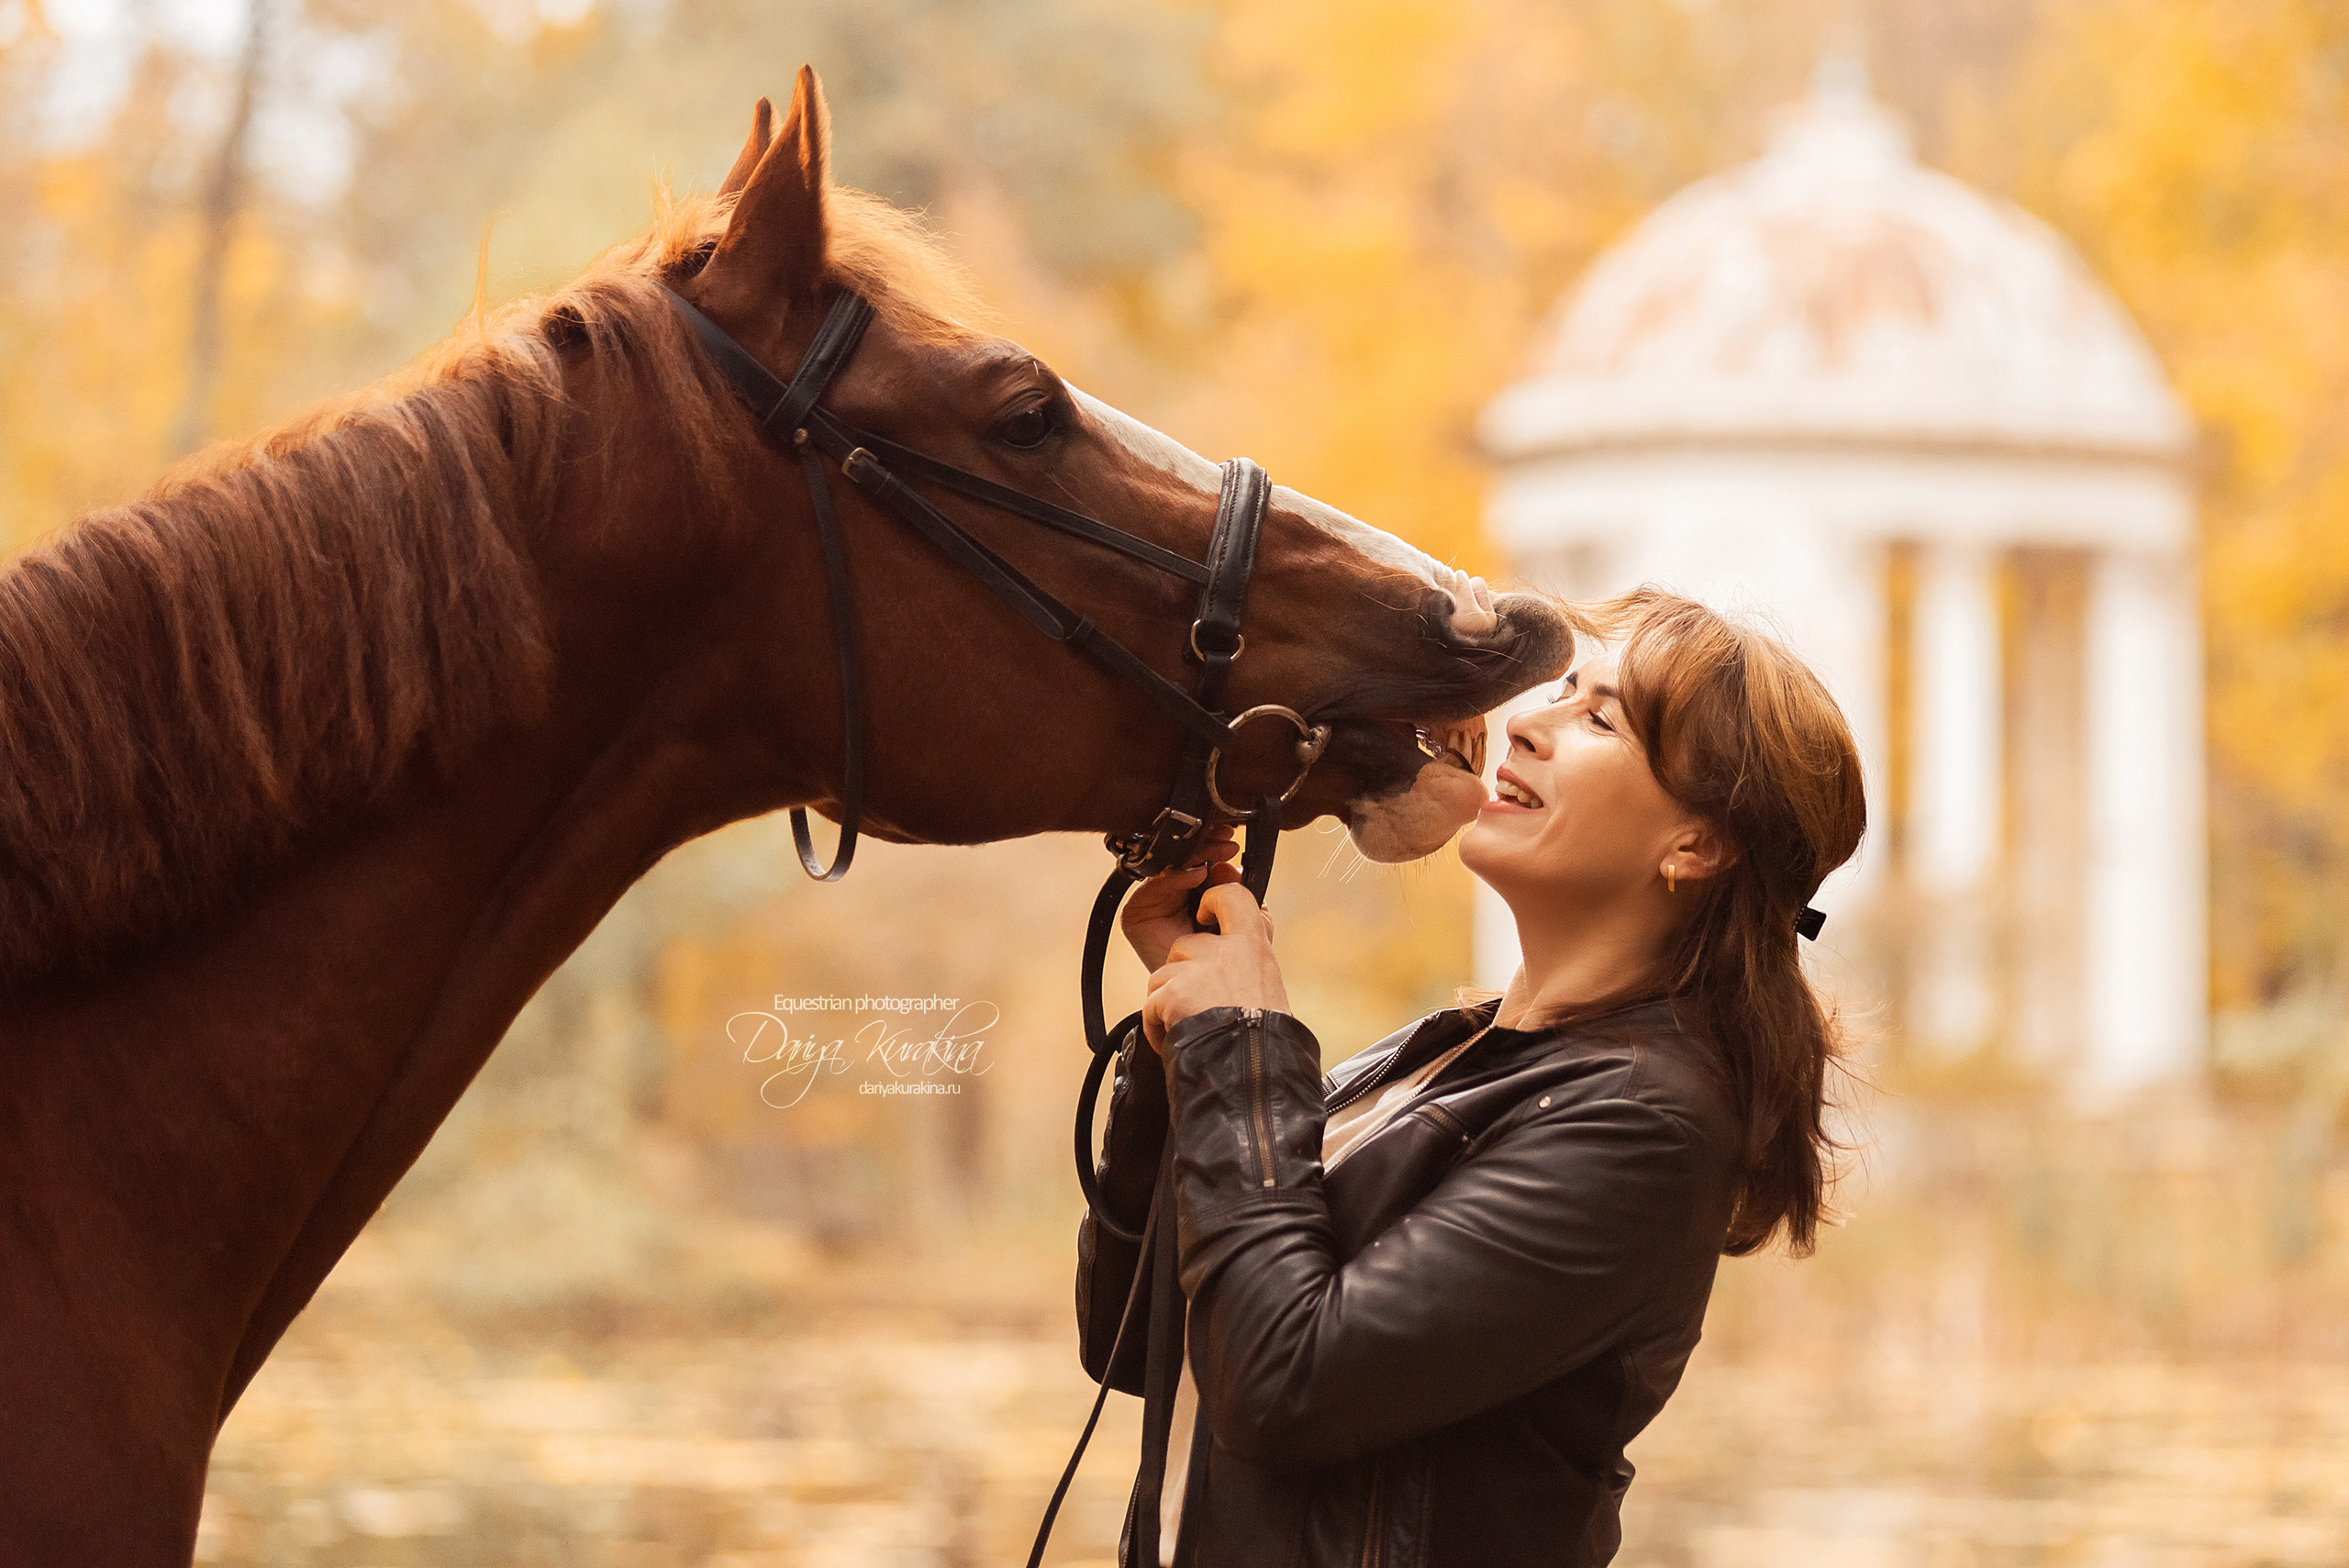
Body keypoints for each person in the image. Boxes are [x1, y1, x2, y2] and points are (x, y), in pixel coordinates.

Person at [1074, 586, 1869, 1567]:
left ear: (1696, 844)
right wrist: (1178, 1044)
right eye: (1561, 689)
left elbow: (1281, 1380)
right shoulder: (1439, 1054)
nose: (1527, 722)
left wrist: (1243, 1042)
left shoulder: (1643, 1123)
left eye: (1598, 717)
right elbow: (1129, 1333)